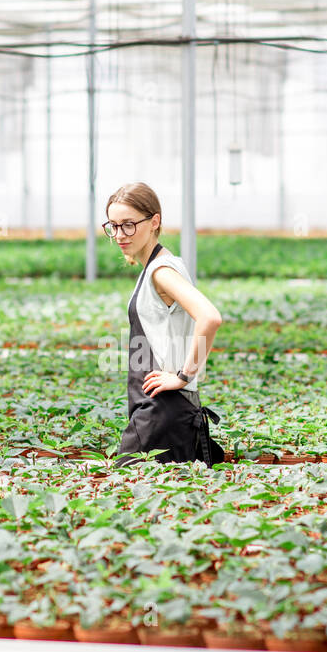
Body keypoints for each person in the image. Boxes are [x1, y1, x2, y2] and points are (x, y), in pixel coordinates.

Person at [107, 182, 226, 466]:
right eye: (113, 226)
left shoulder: (161, 271)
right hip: (166, 410)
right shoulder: (163, 263)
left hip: (161, 413)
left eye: (128, 225)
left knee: (130, 492)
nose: (119, 235)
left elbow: (210, 317)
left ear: (154, 221)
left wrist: (182, 376)